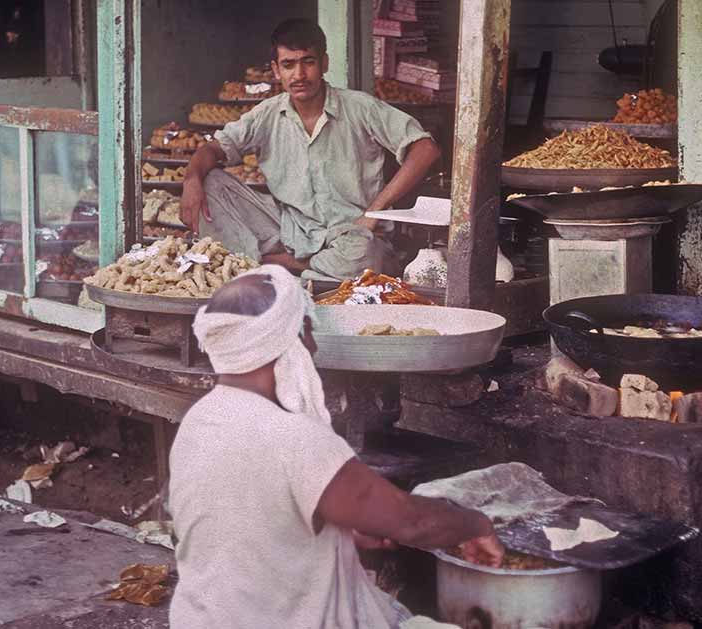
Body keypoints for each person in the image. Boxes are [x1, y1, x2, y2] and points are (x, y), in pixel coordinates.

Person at [167, 265, 504, 628]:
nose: (312, 341)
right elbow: (413, 521)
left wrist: (339, 524)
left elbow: (248, 517)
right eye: (308, 326)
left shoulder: (200, 419)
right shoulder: (295, 439)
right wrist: (475, 524)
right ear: (296, 338)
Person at [180, 19, 442, 281]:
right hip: (289, 232)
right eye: (288, 65)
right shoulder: (266, 114)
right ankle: (299, 264)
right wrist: (192, 180)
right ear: (276, 70)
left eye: (308, 62)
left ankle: (276, 264)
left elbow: (425, 149)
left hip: (352, 236)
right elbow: (212, 150)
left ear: (324, 63)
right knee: (211, 181)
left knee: (366, 257)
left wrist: (376, 209)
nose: (299, 75)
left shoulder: (360, 107)